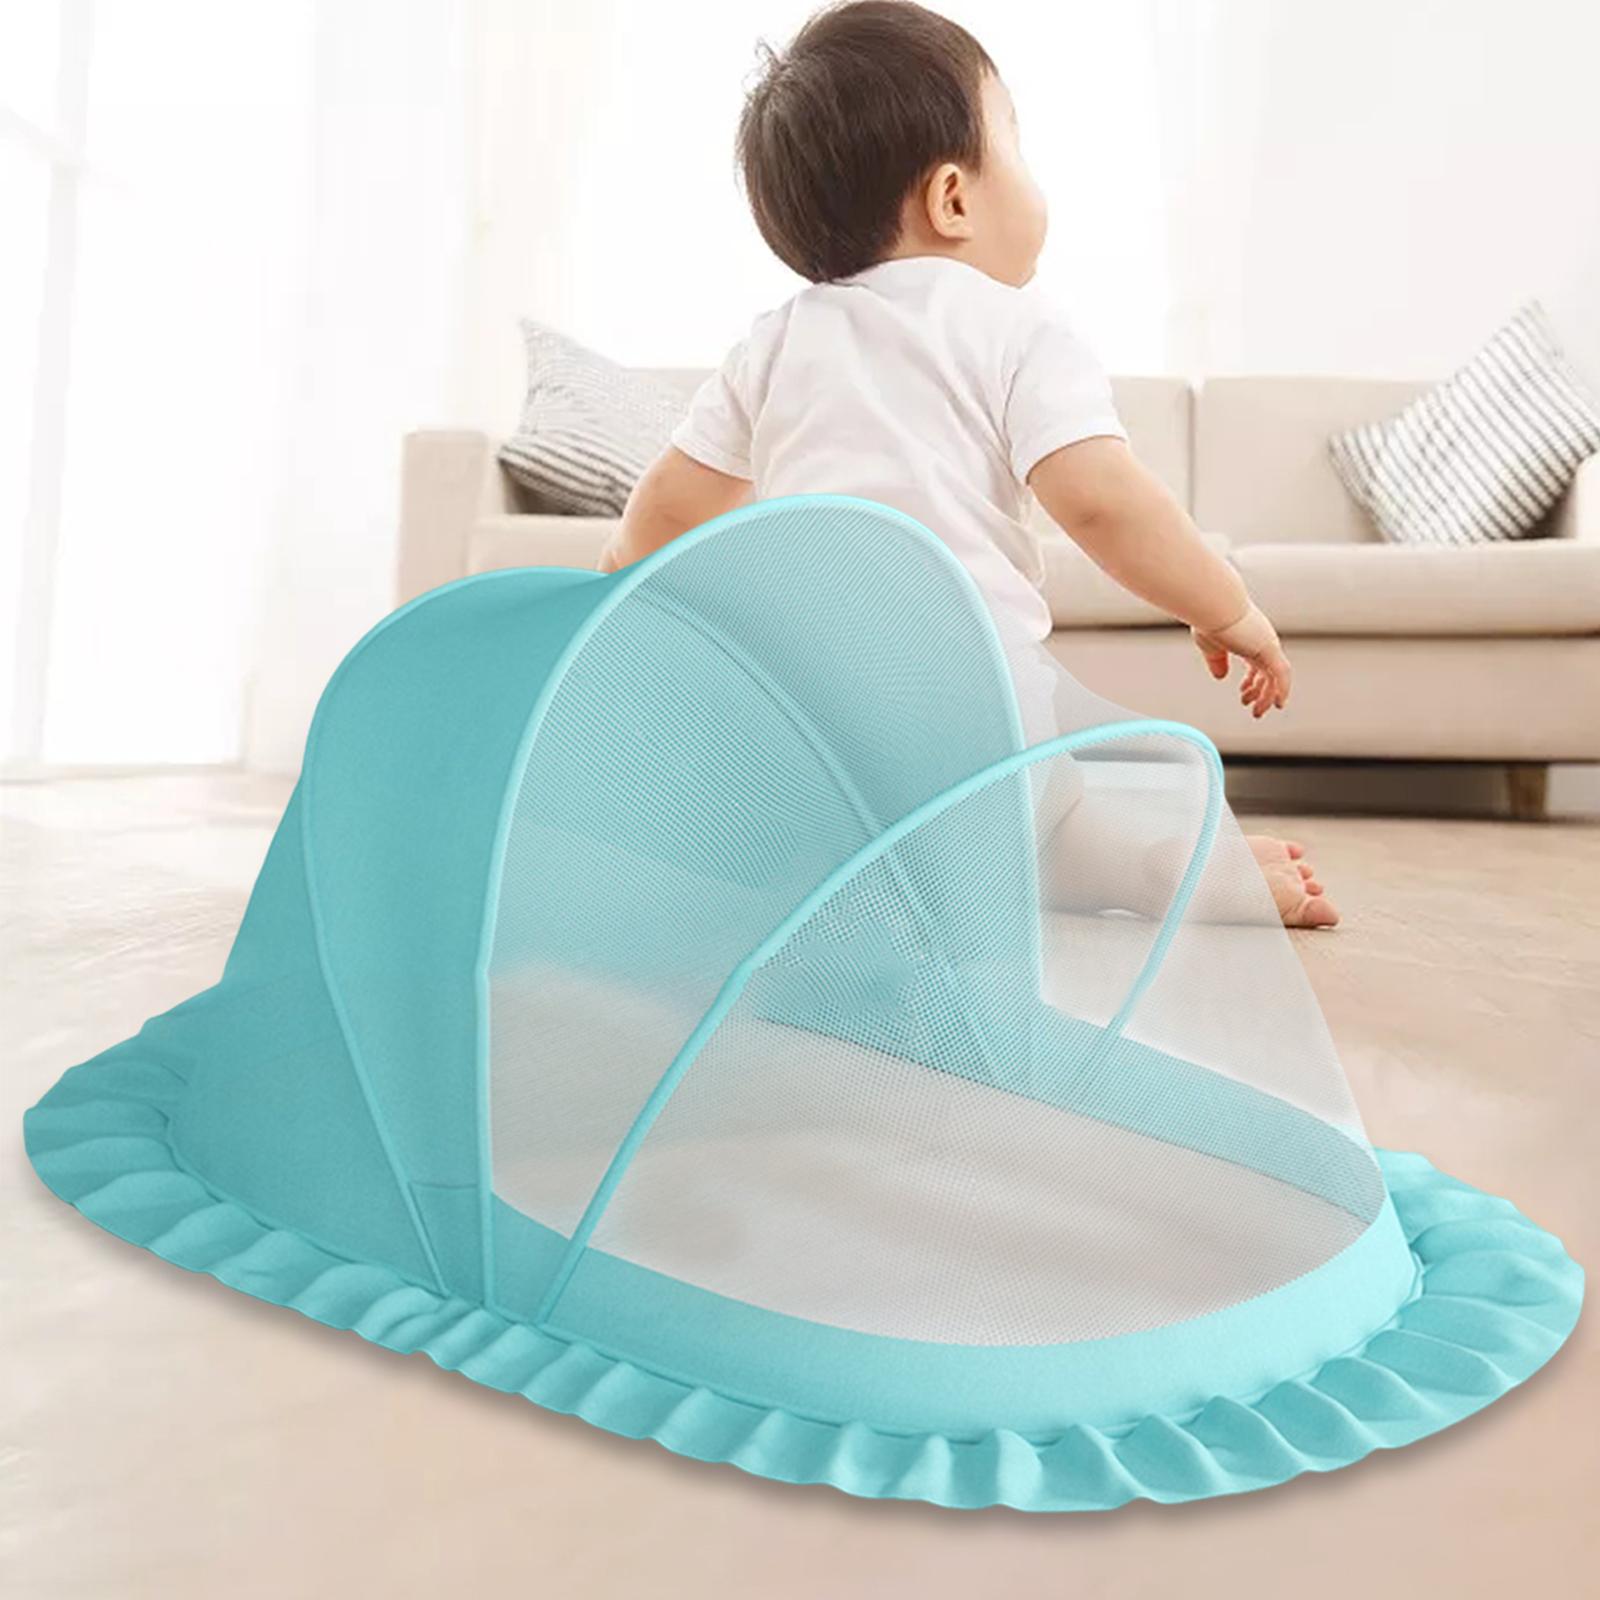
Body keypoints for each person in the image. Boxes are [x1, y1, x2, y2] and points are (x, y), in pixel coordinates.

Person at [601, 0, 1337, 928]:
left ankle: (870, 900)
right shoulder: (1018, 328)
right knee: (1052, 823)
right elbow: (1101, 503)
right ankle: (1145, 873)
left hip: (809, 739)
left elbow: (666, 513)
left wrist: (612, 608)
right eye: (1016, 145)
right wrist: (1224, 606)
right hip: (972, 719)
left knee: (859, 854)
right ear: (953, 198)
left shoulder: (775, 343)